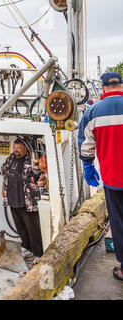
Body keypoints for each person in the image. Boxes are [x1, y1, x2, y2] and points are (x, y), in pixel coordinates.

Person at [78, 72, 123, 281]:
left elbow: (86, 146)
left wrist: (88, 167)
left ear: (103, 88)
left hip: (113, 179)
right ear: (121, 85)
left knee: (119, 223)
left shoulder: (93, 112)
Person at [0, 139, 45, 260]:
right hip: (12, 199)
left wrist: (40, 183)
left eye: (18, 148)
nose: (16, 150)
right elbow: (4, 173)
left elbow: (42, 175)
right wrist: (3, 188)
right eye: (14, 148)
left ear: (25, 148)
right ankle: (26, 248)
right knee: (20, 227)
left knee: (33, 229)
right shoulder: (10, 159)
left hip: (28, 201)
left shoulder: (32, 160)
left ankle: (38, 254)